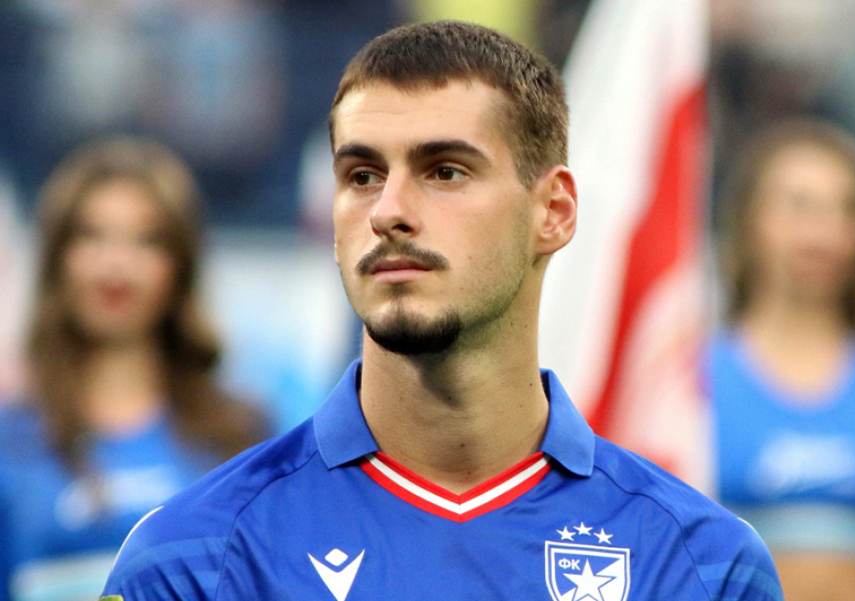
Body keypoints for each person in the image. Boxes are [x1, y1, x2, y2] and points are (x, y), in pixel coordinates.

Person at [101, 21, 783, 601]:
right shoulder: (192, 560)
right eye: (362, 175)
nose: (389, 211)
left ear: (553, 211)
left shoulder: (701, 565)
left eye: (444, 171)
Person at [0, 137, 269, 601]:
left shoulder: (239, 436)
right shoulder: (11, 442)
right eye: (91, 236)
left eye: (147, 241)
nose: (116, 265)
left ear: (181, 264)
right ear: (57, 257)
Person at [709, 119, 855, 601]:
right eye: (799, 206)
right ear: (748, 220)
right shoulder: (690, 389)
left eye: (846, 209)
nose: (822, 231)